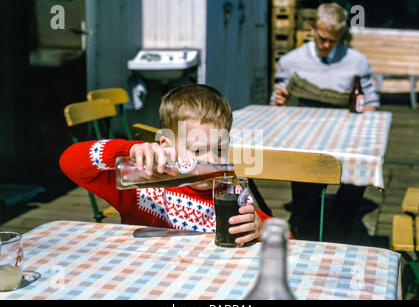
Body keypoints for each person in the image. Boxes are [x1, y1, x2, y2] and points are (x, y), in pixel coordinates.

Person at [60, 84, 274, 246]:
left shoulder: (230, 191)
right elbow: (69, 163)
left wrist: (259, 227)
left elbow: (285, 235)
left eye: (219, 150)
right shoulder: (144, 185)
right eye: (198, 150)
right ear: (167, 147)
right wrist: (129, 151)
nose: (212, 160)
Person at [270, 3, 380, 243]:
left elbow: (370, 102)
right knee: (305, 196)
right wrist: (279, 99)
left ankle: (337, 235)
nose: (328, 45)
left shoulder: (356, 61)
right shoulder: (292, 60)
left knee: (358, 175)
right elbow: (276, 101)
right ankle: (304, 231)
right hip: (303, 137)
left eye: (334, 39)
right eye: (322, 39)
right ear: (312, 28)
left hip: (345, 136)